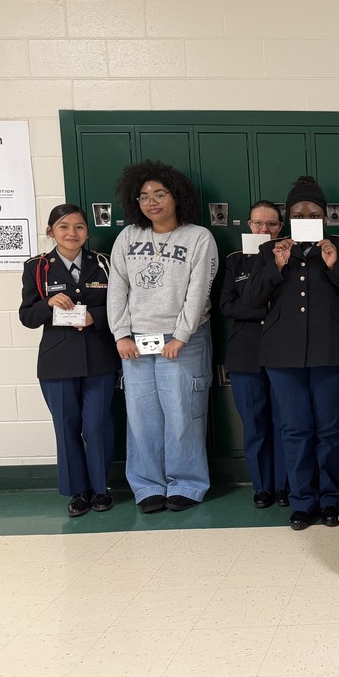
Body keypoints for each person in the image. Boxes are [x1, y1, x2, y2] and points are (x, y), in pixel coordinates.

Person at [241, 176, 339, 530]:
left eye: (313, 213)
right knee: (294, 429)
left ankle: (330, 499)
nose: (305, 218)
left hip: (333, 353)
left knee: (330, 430)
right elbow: (251, 301)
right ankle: (301, 501)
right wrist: (276, 267)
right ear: (289, 217)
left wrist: (335, 266)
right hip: (283, 357)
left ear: (325, 216)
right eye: (298, 213)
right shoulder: (271, 250)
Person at [107, 160, 218, 513]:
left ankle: (186, 483)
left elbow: (198, 291)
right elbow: (117, 287)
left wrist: (181, 336)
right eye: (143, 197)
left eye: (159, 194)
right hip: (136, 339)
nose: (151, 202)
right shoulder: (128, 237)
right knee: (141, 416)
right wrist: (121, 333)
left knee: (183, 414)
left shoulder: (198, 237)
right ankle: (148, 485)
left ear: (176, 196)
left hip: (182, 338)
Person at [19, 204, 120, 516]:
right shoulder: (37, 267)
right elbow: (27, 316)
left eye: (78, 227)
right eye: (63, 227)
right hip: (57, 362)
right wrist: (48, 303)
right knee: (66, 427)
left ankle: (100, 489)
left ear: (87, 231)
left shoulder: (103, 264)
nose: (72, 233)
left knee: (98, 425)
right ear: (51, 232)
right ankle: (78, 492)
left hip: (99, 359)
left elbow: (120, 306)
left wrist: (95, 317)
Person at [219, 200, 287, 509]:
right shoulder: (235, 261)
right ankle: (262, 487)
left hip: (284, 355)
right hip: (245, 354)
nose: (264, 229)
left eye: (271, 224)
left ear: (280, 228)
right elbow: (226, 306)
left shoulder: (288, 257)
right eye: (258, 223)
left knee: (284, 423)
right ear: (248, 225)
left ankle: (284, 485)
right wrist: (264, 307)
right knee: (255, 426)